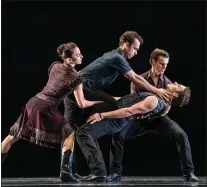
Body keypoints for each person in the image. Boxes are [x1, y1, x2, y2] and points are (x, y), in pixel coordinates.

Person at [63, 31, 171, 181]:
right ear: (125, 45)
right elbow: (134, 78)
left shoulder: (114, 57)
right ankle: (98, 172)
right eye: (135, 48)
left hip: (74, 92)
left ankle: (67, 172)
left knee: (72, 131)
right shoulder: (117, 57)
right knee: (113, 105)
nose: (136, 52)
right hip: (79, 89)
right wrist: (157, 90)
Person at [1, 42, 104, 182]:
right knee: (70, 133)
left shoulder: (55, 66)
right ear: (69, 60)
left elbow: (57, 83)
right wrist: (102, 102)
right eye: (78, 54)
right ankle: (65, 173)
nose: (82, 56)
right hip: (45, 106)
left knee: (13, 136)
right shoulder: (76, 78)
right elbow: (82, 103)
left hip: (32, 102)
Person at [107, 48, 198, 183]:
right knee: (117, 134)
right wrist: (143, 111)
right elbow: (134, 101)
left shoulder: (168, 83)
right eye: (162, 64)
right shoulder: (139, 79)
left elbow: (167, 107)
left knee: (181, 134)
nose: (164, 67)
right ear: (152, 62)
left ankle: (188, 173)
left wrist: (163, 110)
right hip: (137, 118)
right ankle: (115, 174)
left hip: (158, 118)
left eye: (166, 64)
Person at [75, 80, 191, 182]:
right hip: (114, 111)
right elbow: (127, 100)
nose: (176, 83)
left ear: (174, 94)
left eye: (179, 85)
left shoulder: (154, 101)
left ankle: (99, 173)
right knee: (83, 128)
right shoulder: (155, 96)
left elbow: (129, 111)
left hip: (116, 119)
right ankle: (99, 172)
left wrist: (102, 115)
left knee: (83, 133)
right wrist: (104, 100)